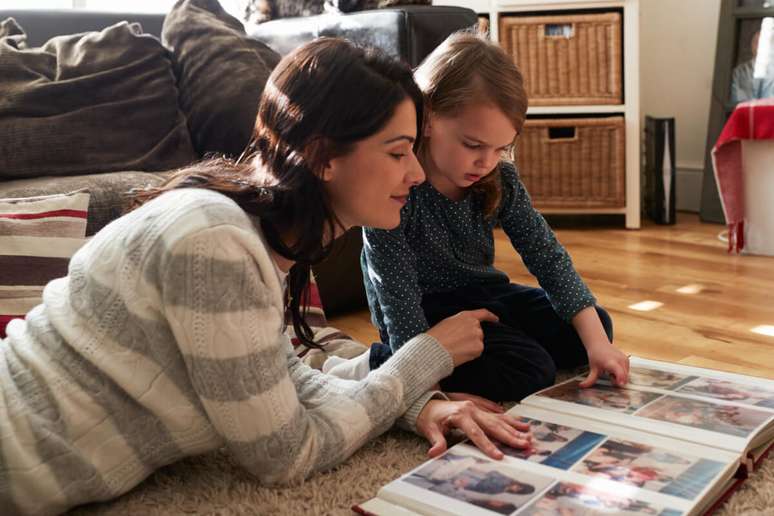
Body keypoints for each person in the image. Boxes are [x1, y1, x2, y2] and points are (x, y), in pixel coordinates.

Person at [0, 38, 533, 515]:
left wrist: (417, 403)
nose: (417, 174)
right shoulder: (214, 244)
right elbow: (285, 453)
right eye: (398, 153)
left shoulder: (246, 236)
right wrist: (425, 356)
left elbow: (287, 381)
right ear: (324, 156)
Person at [329, 31, 629, 401]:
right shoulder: (396, 184)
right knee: (532, 370)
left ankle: (506, 347)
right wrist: (421, 379)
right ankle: (380, 362)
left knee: (593, 325)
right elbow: (395, 293)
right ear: (428, 117)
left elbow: (545, 254)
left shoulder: (497, 177)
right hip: (424, 309)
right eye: (473, 145)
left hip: (485, 293)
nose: (485, 162)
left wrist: (597, 343)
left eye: (500, 149)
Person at [730, 29, 774, 105]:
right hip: (748, 114)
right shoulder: (739, 71)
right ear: (751, 45)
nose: (759, 46)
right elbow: (737, 98)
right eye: (756, 42)